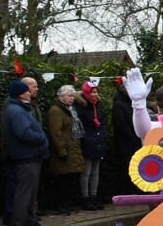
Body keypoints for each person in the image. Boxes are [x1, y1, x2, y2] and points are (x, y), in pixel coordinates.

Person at [1, 80, 49, 226]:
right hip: (26, 156)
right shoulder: (17, 111)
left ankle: (29, 220)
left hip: (31, 156)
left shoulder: (21, 109)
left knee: (31, 192)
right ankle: (19, 223)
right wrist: (41, 137)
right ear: (21, 94)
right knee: (25, 192)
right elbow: (24, 133)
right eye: (27, 91)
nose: (30, 93)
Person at [46, 85, 85, 215]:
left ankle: (67, 203)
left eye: (73, 96)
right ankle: (59, 204)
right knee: (62, 180)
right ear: (61, 97)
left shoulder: (70, 109)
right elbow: (55, 133)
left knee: (70, 179)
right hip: (64, 150)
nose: (72, 99)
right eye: (69, 96)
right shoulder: (56, 111)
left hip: (73, 148)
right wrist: (62, 151)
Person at [76, 81, 107, 210]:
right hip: (88, 142)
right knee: (86, 172)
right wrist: (86, 139)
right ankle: (85, 198)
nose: (95, 94)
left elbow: (102, 122)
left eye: (96, 91)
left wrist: (102, 136)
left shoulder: (98, 105)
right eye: (92, 92)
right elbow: (80, 126)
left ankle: (94, 197)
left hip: (98, 142)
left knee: (95, 172)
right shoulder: (81, 106)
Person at [112, 81, 143, 195]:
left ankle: (134, 189)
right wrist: (132, 135)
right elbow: (121, 124)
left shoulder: (130, 103)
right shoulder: (119, 104)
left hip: (133, 140)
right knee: (125, 167)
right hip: (124, 143)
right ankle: (125, 191)